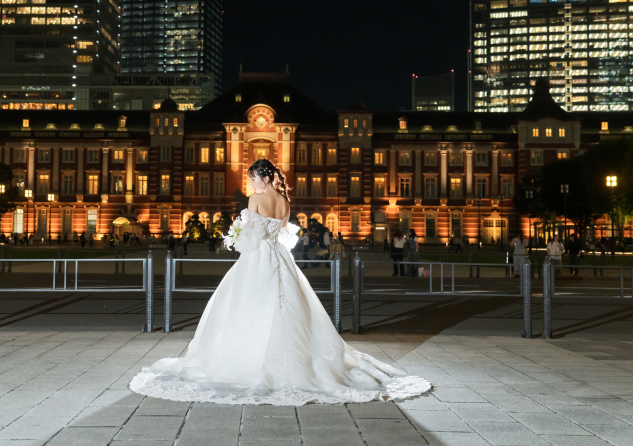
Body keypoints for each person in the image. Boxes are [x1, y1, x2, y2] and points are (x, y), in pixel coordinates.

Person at [130, 158, 430, 405]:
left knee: (246, 305)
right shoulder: (285, 202)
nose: (250, 184)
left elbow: (251, 236)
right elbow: (284, 234)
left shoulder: (255, 199)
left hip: (258, 258)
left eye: (251, 178)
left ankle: (247, 357)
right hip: (280, 257)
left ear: (261, 178)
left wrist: (235, 237)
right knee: (289, 305)